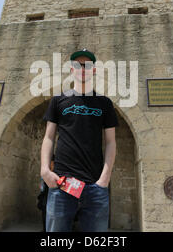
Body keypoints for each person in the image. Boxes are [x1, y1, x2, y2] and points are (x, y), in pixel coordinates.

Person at [40, 48, 118, 232]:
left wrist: (104, 179)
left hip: (95, 187)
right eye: (78, 65)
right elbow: (49, 137)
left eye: (87, 65)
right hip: (61, 183)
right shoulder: (58, 100)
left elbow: (111, 142)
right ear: (72, 69)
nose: (83, 68)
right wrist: (44, 170)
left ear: (94, 70)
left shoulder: (104, 103)